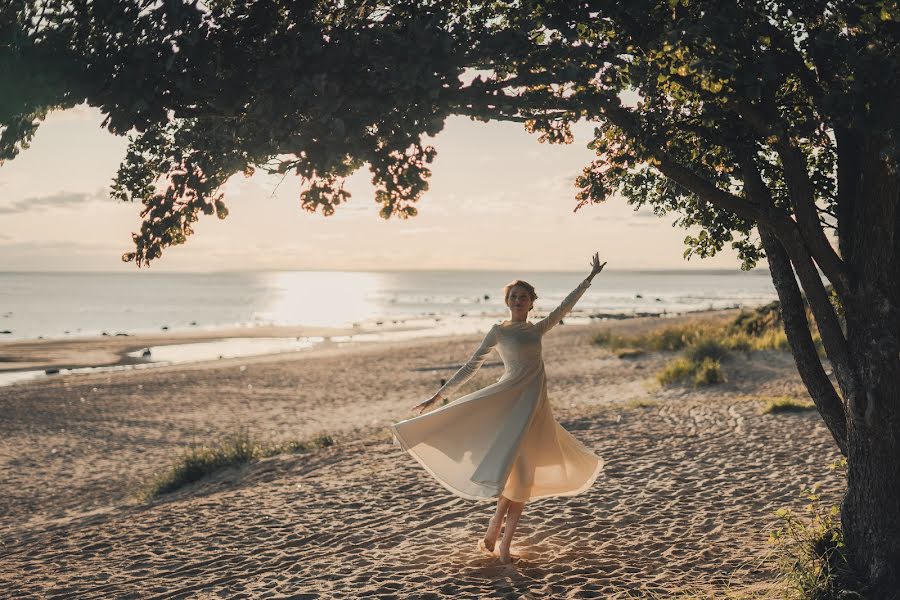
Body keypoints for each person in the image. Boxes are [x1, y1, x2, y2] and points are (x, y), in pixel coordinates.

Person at [388, 253, 606, 564]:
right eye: (513, 296)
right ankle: (503, 546)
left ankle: (494, 535)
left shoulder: (537, 329)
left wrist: (590, 278)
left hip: (536, 412)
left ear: (531, 302)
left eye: (523, 297)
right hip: (509, 408)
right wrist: (437, 398)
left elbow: (565, 307)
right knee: (517, 478)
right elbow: (470, 367)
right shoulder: (499, 331)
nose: (518, 300)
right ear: (508, 302)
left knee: (522, 479)